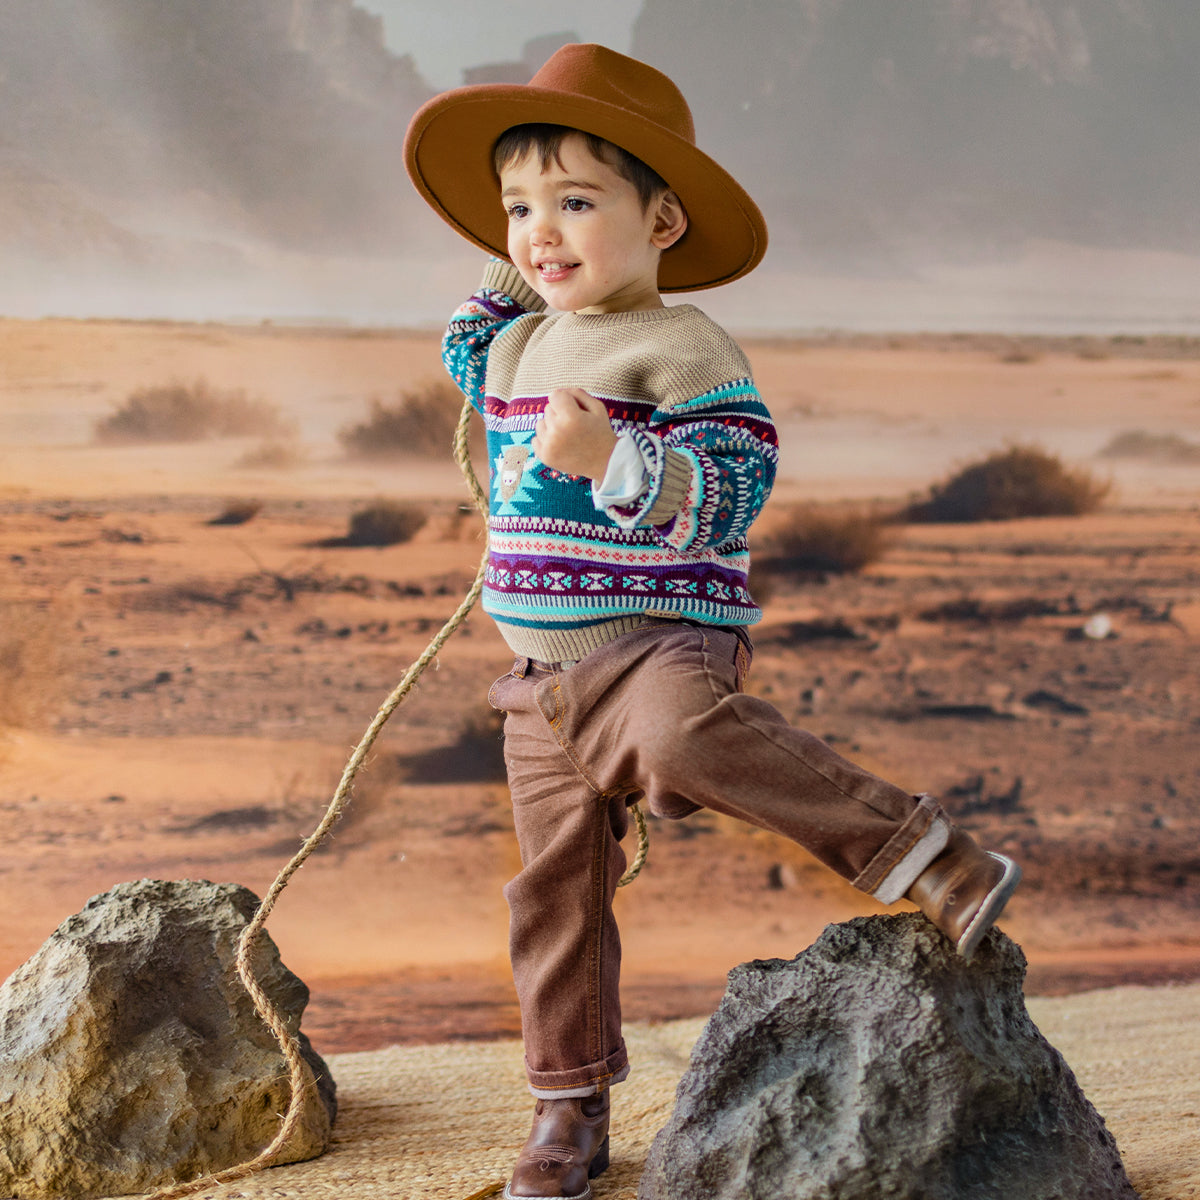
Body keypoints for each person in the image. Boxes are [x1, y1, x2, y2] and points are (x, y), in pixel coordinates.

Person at [404, 43, 1020, 1200]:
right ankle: (567, 1106)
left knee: (685, 736)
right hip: (537, 674)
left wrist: (615, 459)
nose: (545, 231)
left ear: (664, 222)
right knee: (550, 890)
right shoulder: (521, 342)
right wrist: (514, 259)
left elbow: (735, 487)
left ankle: (927, 855)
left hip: (657, 642)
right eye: (520, 206)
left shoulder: (683, 348)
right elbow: (458, 347)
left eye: (577, 202)